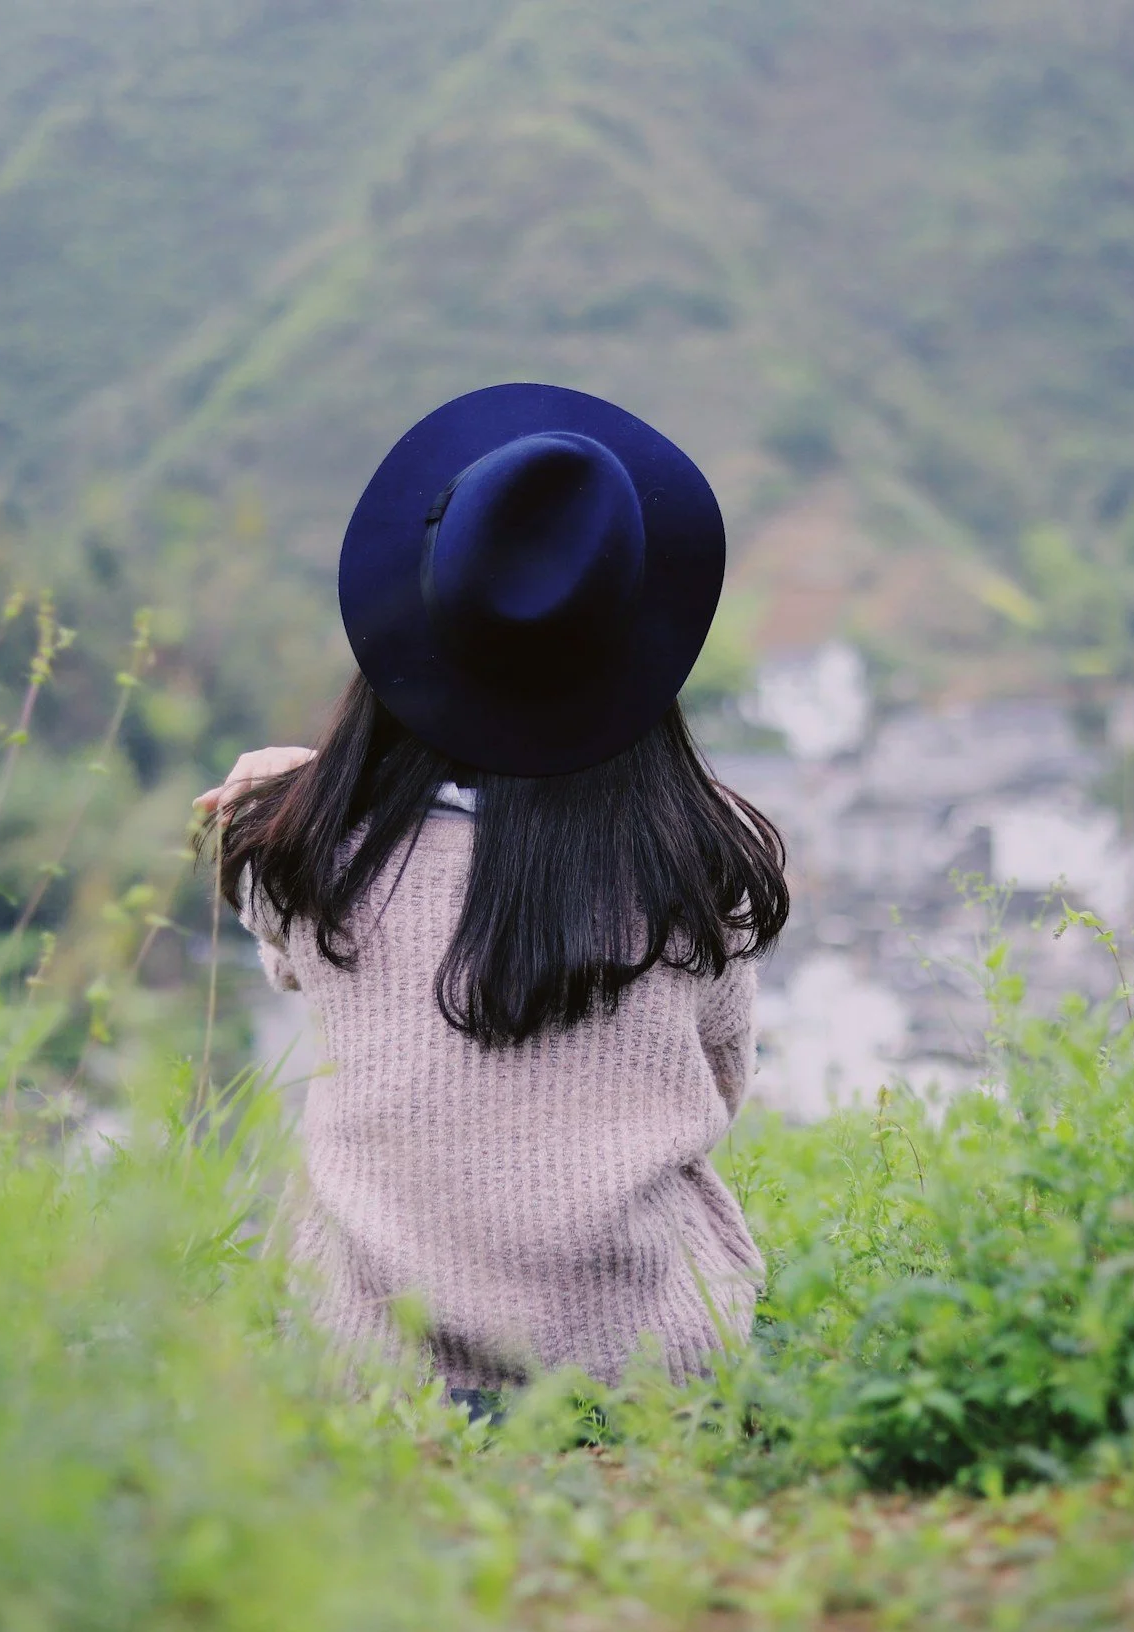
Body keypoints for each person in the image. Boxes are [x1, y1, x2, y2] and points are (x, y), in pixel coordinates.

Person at [199, 384, 789, 1408]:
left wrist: (283, 791)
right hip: (650, 1366)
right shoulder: (705, 857)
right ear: (634, 646)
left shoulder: (308, 853)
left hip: (378, 1370)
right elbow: (719, 1081)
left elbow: (295, 960)